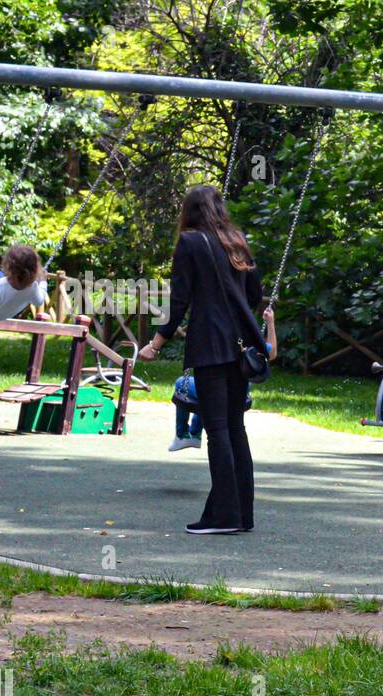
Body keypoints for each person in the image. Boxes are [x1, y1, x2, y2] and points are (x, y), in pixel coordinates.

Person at [139, 185, 277, 534]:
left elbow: (180, 299)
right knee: (235, 429)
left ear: (190, 211)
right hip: (241, 345)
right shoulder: (237, 240)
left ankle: (224, 517)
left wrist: (156, 343)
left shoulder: (190, 243)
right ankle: (242, 515)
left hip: (211, 347)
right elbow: (254, 294)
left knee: (217, 431)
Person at [170, 373, 252, 452]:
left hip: (219, 389)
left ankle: (183, 435)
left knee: (181, 382)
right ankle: (194, 433)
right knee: (203, 389)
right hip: (242, 390)